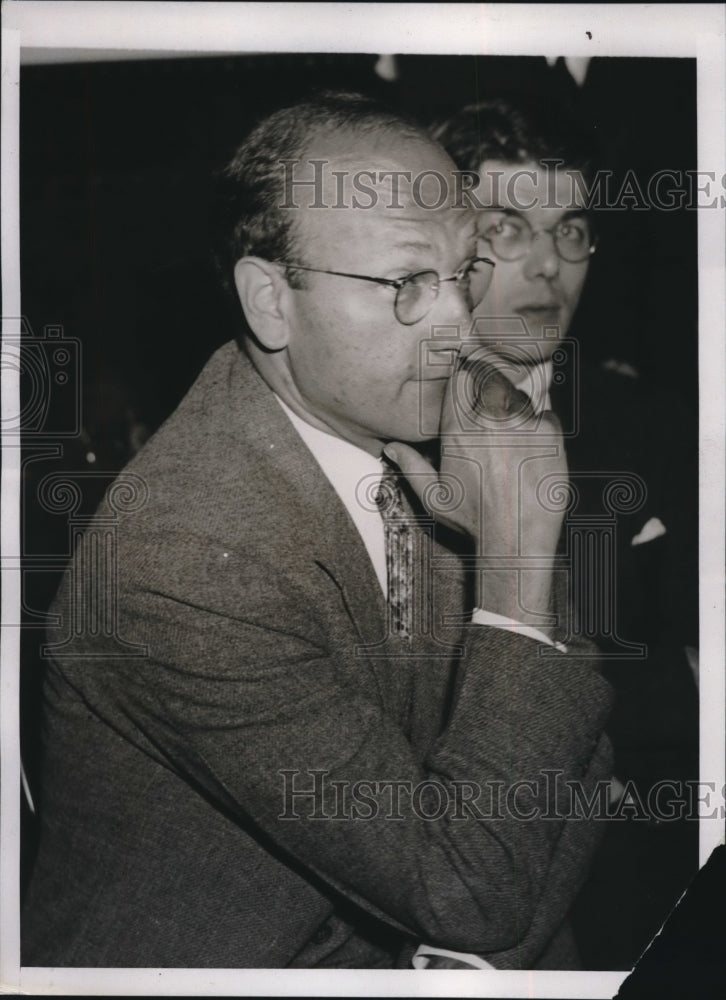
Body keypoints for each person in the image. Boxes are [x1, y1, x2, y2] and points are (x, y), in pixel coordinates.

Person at [22, 91, 613, 970]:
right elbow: (469, 883)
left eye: (462, 273)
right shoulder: (178, 559)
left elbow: (577, 760)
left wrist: (465, 960)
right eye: (407, 283)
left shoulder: (418, 437)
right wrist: (519, 560)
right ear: (270, 302)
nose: (457, 323)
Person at [434, 97, 699, 969]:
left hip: (642, 882)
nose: (550, 266)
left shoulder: (658, 424)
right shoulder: (387, 431)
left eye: (572, 231)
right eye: (510, 229)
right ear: (446, 241)